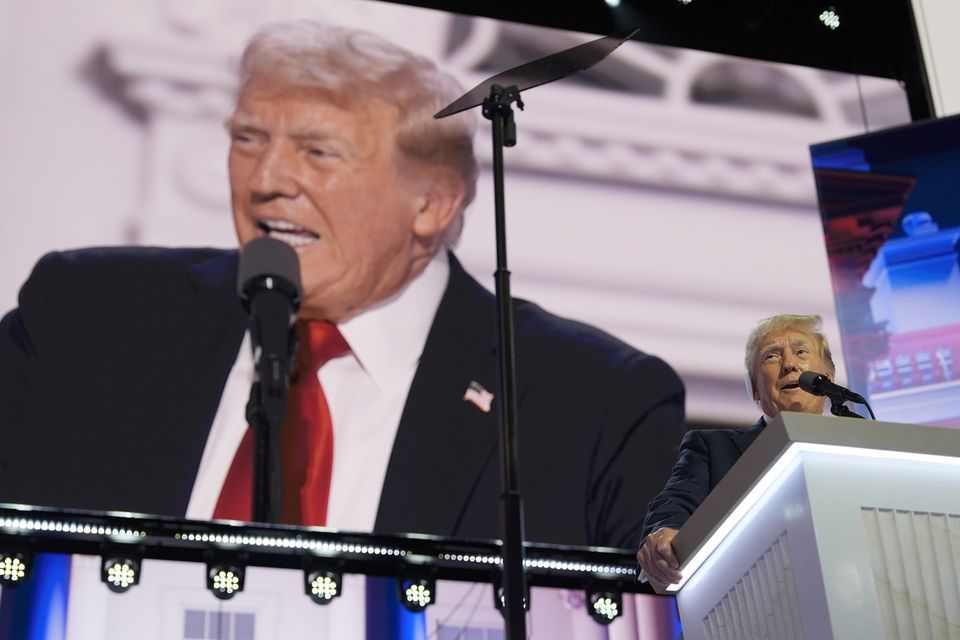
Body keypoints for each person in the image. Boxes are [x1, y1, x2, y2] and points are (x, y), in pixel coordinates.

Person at [0, 21, 686, 550]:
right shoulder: (84, 317)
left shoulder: (592, 403)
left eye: (316, 152)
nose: (266, 179)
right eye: (247, 139)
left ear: (432, 205)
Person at [636, 313, 835, 586]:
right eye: (772, 357)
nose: (789, 364)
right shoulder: (712, 448)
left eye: (801, 352)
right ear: (755, 389)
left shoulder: (864, 450)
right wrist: (664, 534)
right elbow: (675, 501)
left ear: (828, 377)